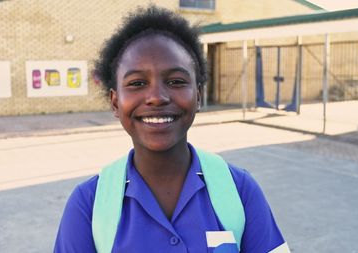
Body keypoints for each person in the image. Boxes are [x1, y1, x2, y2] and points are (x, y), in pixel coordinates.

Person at [54, 6, 290, 253]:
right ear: (115, 102)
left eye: (176, 81)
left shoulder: (238, 189)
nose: (156, 97)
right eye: (137, 83)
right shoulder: (89, 204)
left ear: (198, 96)